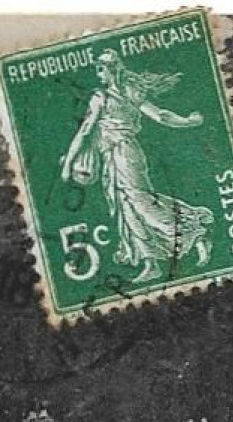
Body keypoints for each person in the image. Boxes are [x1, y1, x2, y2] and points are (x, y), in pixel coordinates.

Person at [59, 49, 215, 285]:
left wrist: (69, 163)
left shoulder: (102, 97)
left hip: (124, 153)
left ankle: (194, 232)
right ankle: (150, 262)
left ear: (110, 70)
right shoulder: (128, 92)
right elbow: (161, 115)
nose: (98, 73)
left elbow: (85, 131)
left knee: (140, 202)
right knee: (126, 206)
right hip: (114, 156)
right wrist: (187, 121)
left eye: (100, 69)